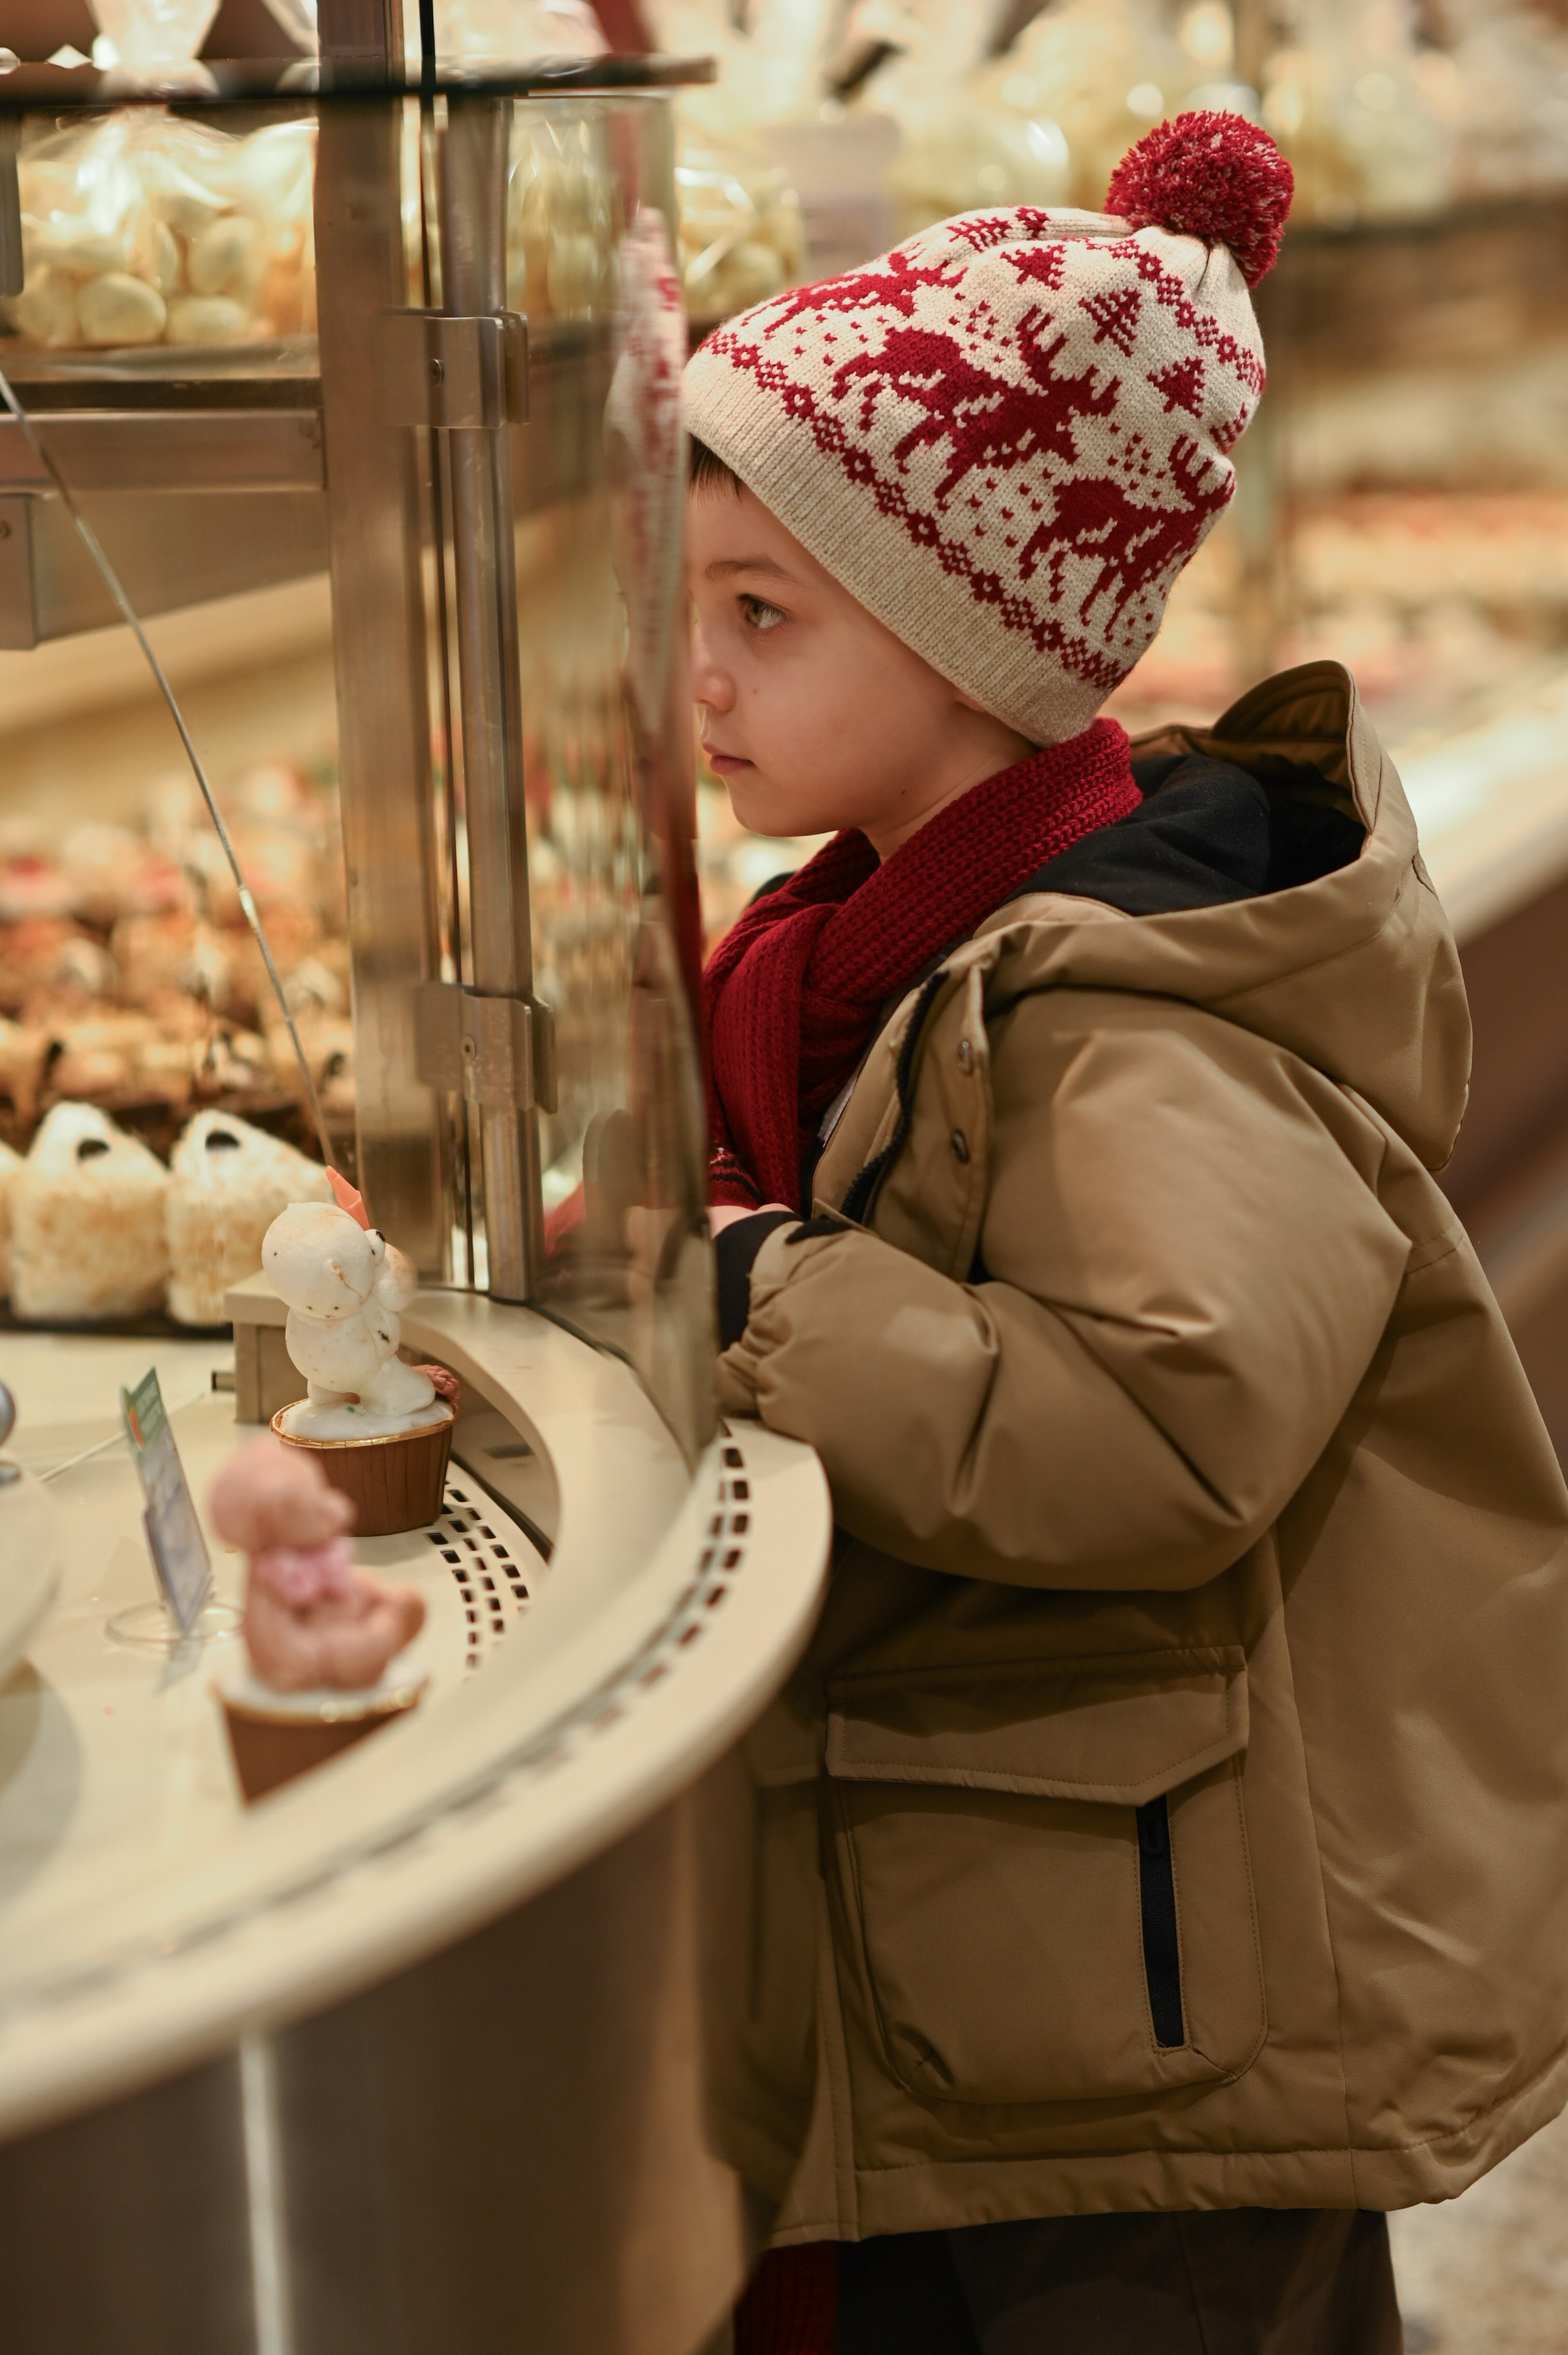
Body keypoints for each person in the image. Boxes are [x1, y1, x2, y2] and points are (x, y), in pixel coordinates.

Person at [684, 114, 1568, 2354]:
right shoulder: (880, 941)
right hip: (1044, 1916)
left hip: (1160, 2005)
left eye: (761, 613)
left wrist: (760, 1283)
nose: (695, 676)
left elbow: (1155, 1436)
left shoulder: (1130, 1009)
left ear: (962, 636)